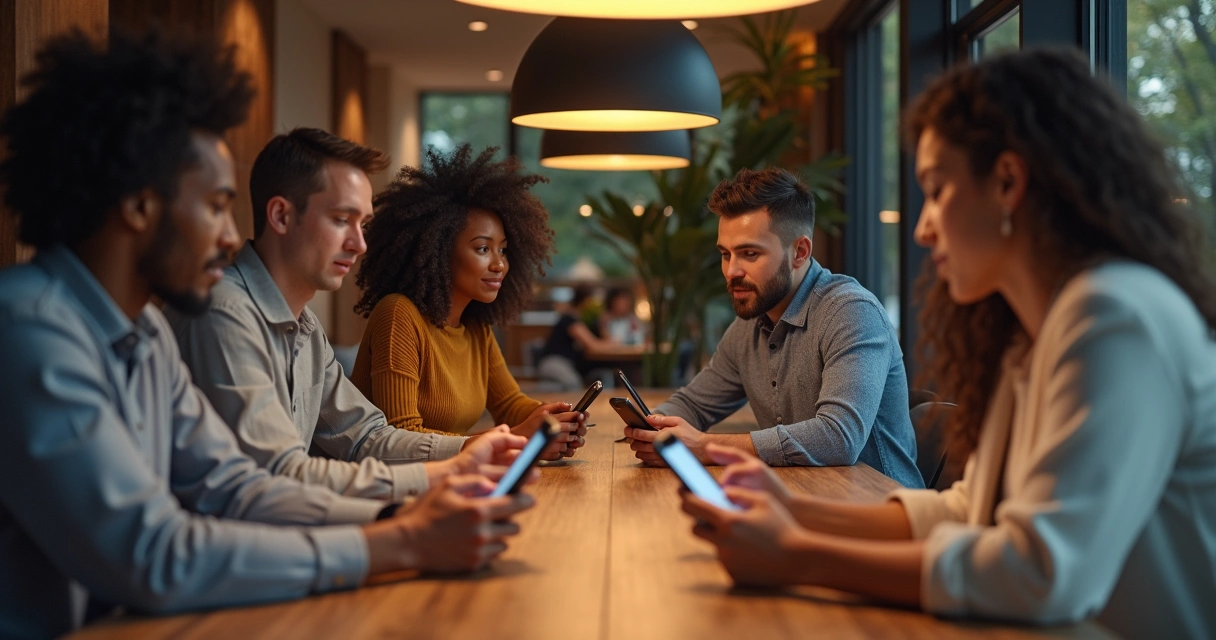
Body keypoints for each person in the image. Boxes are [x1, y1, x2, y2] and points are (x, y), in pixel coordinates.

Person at [0, 30, 531, 639]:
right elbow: (151, 553)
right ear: (140, 206)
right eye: (215, 205)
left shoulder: (143, 329)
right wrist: (400, 541)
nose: (230, 236)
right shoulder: (29, 331)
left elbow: (236, 487)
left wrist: (404, 513)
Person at [676, 49, 1216, 638]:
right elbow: (969, 512)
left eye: (936, 190)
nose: (922, 226)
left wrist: (800, 554)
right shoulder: (1032, 333)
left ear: (1008, 182)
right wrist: (793, 510)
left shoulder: (1114, 315)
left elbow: (1040, 573)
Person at [166, 128, 519, 502]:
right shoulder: (224, 313)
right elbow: (277, 476)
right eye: (341, 219)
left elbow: (364, 435)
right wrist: (437, 482)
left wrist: (468, 451)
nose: (359, 243)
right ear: (282, 216)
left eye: (363, 224)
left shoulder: (306, 327)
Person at [624, 167, 922, 489]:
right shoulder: (749, 324)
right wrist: (650, 426)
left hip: (881, 509)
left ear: (800, 252)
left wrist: (704, 446)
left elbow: (838, 437)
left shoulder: (851, 312)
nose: (732, 271)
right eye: (726, 254)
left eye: (749, 253)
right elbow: (694, 404)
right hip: (803, 499)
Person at [350, 144, 588, 459]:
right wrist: (513, 439)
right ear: (436, 250)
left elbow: (508, 404)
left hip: (448, 479)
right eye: (482, 249)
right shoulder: (398, 315)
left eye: (502, 250)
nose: (499, 264)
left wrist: (555, 416)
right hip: (390, 489)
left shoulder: (476, 327)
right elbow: (399, 436)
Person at [537, 287, 644, 392]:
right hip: (555, 363)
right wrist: (616, 342)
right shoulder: (570, 320)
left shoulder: (578, 320)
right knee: (574, 385)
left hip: (562, 364)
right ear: (585, 301)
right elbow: (593, 345)